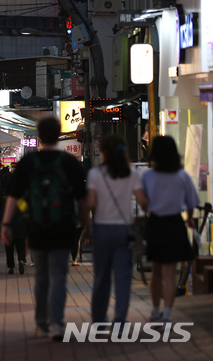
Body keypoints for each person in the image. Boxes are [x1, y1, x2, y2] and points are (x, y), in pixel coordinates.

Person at [1, 117, 89, 341]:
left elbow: (13, 196)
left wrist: (7, 224)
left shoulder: (29, 163)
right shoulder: (70, 163)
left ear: (39, 136)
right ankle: (57, 324)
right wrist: (85, 224)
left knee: (41, 277)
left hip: (36, 228)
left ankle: (41, 324)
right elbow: (83, 198)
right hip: (63, 227)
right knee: (59, 276)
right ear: (59, 135)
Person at [86, 134, 148, 329]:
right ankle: (120, 319)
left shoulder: (95, 174)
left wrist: (87, 228)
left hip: (102, 230)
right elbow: (142, 201)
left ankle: (99, 319)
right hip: (124, 231)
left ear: (104, 153)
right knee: (123, 277)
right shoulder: (132, 173)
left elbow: (90, 204)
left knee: (101, 277)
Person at [142, 135, 198, 324]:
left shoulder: (148, 176)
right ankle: (167, 314)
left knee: (156, 272)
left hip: (156, 224)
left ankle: (155, 311)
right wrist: (189, 219)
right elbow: (192, 202)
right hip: (175, 224)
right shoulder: (182, 175)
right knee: (169, 272)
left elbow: (144, 204)